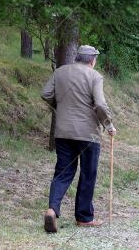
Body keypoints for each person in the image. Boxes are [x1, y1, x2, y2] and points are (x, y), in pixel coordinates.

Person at [41, 45, 116, 233]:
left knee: (63, 171)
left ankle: (52, 209)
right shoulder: (94, 76)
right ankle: (83, 217)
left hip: (63, 131)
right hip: (88, 133)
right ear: (92, 60)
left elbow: (46, 94)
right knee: (88, 173)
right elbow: (99, 104)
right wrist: (108, 125)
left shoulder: (60, 72)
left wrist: (60, 107)